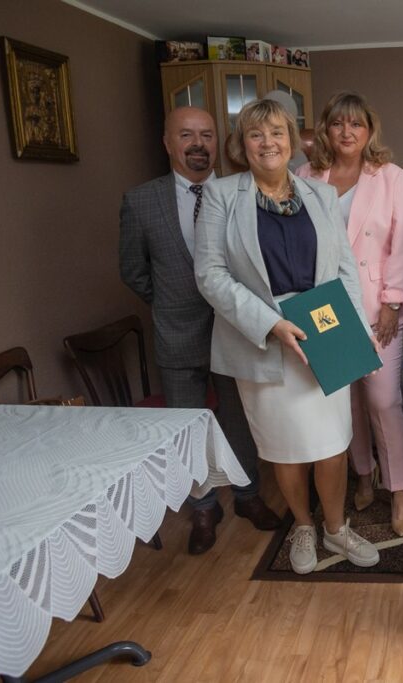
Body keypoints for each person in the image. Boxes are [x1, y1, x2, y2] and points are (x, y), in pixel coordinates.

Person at [194, 99, 380, 574]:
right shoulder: (220, 195)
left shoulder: (321, 194)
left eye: (277, 132)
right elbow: (210, 275)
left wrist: (355, 334)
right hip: (262, 338)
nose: (268, 143)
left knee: (332, 442)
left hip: (324, 332)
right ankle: (303, 525)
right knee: (285, 446)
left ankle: (335, 528)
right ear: (242, 145)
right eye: (256, 134)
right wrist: (270, 323)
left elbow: (344, 269)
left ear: (292, 140)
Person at [119, 106, 279, 555]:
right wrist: (169, 303)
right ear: (167, 142)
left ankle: (248, 494)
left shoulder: (239, 193)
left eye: (207, 135)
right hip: (177, 333)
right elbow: (133, 271)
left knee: (238, 419)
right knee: (187, 427)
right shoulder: (141, 201)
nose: (198, 144)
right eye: (186, 134)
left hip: (233, 329)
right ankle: (204, 508)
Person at [298, 91, 403, 536]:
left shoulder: (390, 176)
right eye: (338, 123)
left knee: (383, 400)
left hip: (377, 306)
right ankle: (363, 474)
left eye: (356, 124)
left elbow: (402, 242)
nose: (346, 132)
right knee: (346, 403)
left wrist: (391, 303)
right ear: (326, 129)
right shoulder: (306, 175)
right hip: (326, 308)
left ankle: (398, 488)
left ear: (369, 131)